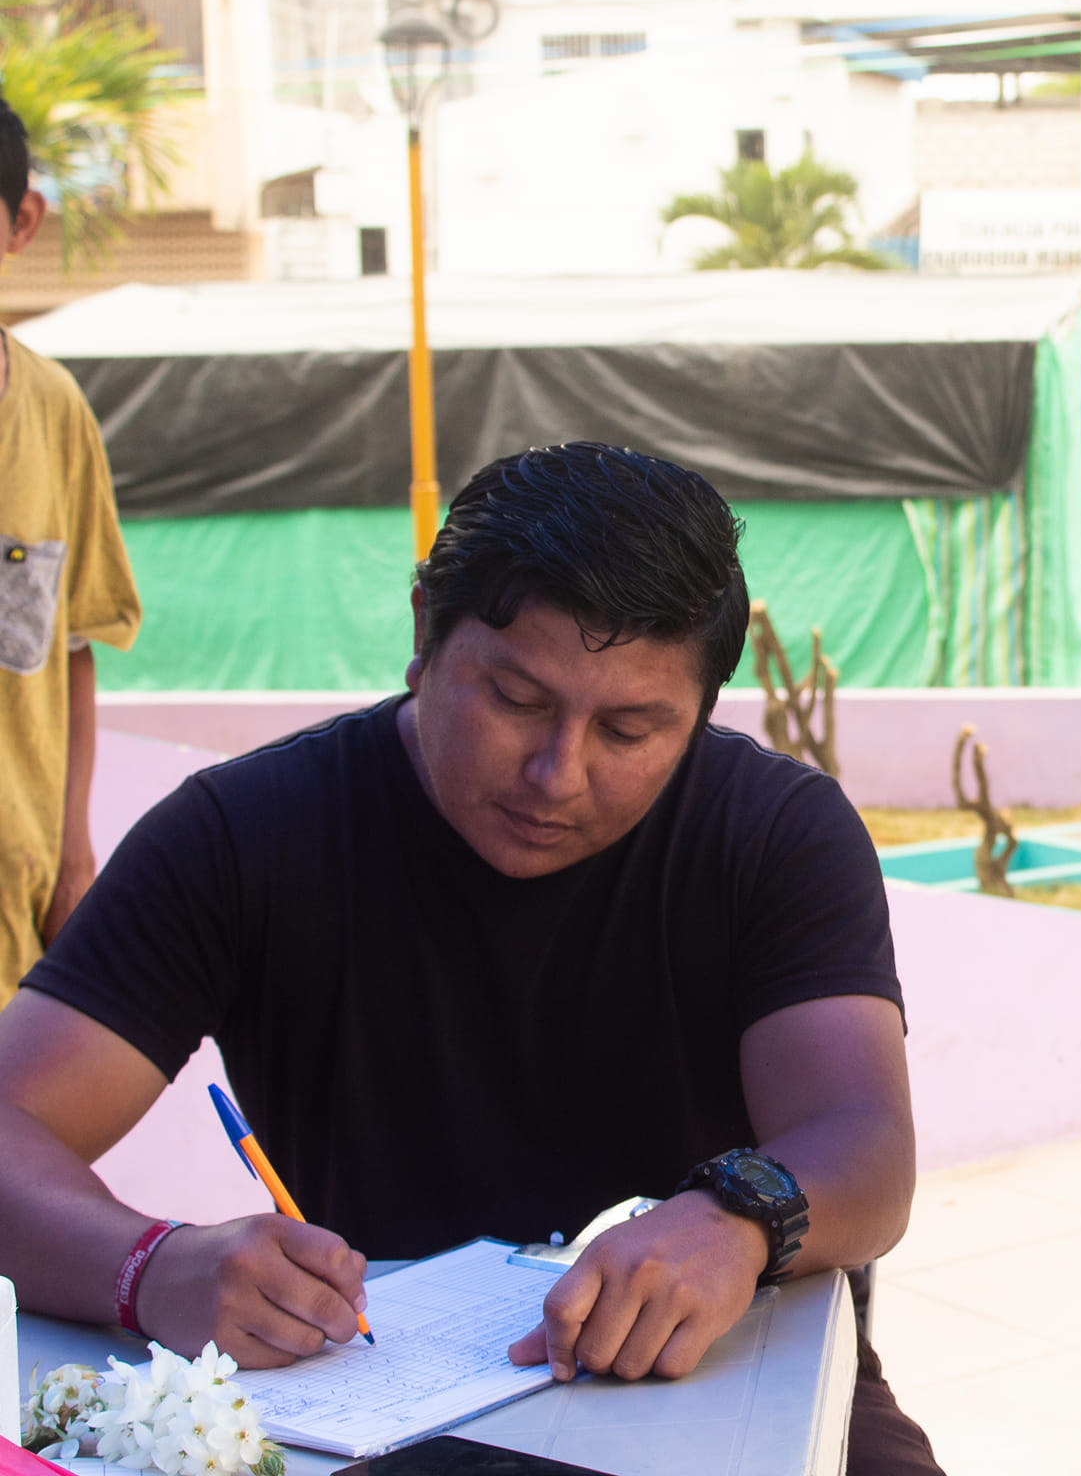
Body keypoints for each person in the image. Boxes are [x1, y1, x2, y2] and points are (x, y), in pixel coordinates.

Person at [0, 443, 944, 1476]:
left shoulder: (772, 834)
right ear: (423, 633)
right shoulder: (245, 836)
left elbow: (866, 1143)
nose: (557, 773)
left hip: (738, 1383)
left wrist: (739, 1220)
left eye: (629, 729)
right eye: (515, 699)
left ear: (703, 710)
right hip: (370, 1404)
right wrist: (144, 1266)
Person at [0, 93, 142, 1003]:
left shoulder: (53, 411)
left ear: (22, 221)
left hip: (16, 905)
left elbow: (74, 644)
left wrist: (72, 857)